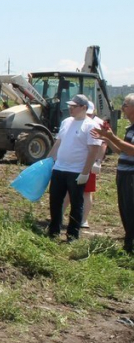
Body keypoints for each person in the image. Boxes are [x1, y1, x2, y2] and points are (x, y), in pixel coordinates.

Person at [47, 94, 103, 242]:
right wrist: (48, 161)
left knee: (76, 203)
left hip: (76, 170)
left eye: (74, 106)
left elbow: (93, 150)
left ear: (84, 108)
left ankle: (72, 234)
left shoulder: (91, 125)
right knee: (55, 201)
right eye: (70, 106)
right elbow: (58, 143)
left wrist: (85, 172)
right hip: (59, 168)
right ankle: (53, 231)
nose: (70, 109)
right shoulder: (66, 122)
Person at [91, 93, 134, 253]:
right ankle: (129, 242)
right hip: (123, 175)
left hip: (131, 176)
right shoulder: (130, 129)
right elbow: (122, 151)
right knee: (124, 209)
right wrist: (107, 139)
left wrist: (111, 137)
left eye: (125, 105)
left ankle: (131, 246)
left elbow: (132, 151)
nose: (122, 108)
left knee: (130, 210)